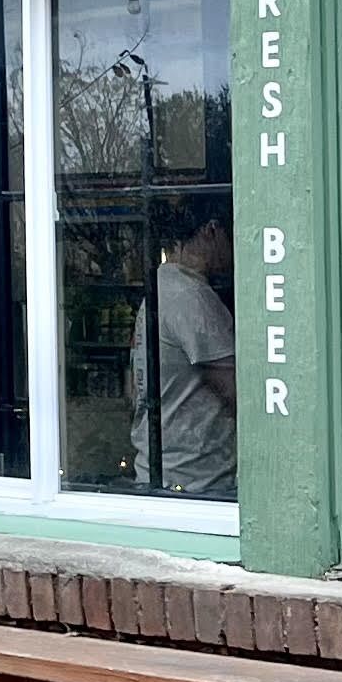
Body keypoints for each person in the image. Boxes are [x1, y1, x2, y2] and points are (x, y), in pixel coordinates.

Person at [131, 198, 237, 496]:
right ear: (212, 231)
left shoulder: (160, 287)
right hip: (196, 479)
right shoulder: (191, 296)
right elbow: (235, 391)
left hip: (162, 468)